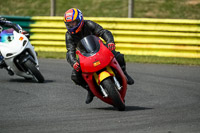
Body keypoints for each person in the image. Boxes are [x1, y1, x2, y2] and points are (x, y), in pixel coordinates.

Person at [64, 8, 134, 104]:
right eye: (69, 24)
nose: (72, 25)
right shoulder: (69, 35)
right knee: (75, 76)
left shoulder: (89, 24)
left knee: (118, 56)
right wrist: (73, 62)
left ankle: (125, 73)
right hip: (84, 56)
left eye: (74, 22)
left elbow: (103, 32)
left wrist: (110, 41)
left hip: (99, 48)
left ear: (80, 19)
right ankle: (90, 90)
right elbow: (70, 51)